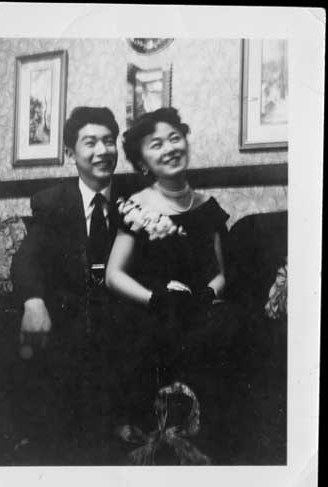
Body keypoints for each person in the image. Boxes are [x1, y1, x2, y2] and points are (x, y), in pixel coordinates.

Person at [105, 108, 248, 463]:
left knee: (233, 329)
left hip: (199, 309)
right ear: (143, 162)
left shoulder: (207, 207)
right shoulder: (137, 206)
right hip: (151, 310)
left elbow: (220, 273)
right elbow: (114, 275)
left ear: (185, 141)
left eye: (174, 138)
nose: (169, 148)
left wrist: (207, 294)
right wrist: (156, 299)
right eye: (156, 144)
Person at [10, 106, 128, 463]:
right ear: (69, 153)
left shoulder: (136, 196)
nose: (102, 151)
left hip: (125, 317)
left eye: (109, 141)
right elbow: (27, 257)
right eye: (90, 142)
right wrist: (33, 301)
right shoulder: (53, 203)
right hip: (73, 318)